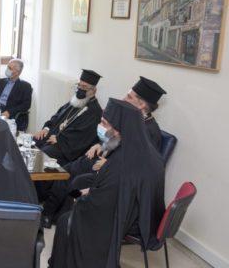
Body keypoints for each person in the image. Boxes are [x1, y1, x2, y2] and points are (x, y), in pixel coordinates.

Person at [48, 98, 165, 268]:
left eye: (103, 123)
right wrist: (93, 190)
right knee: (78, 189)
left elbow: (105, 202)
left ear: (117, 129)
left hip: (130, 218)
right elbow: (117, 188)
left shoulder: (122, 161)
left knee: (66, 220)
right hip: (141, 211)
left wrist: (83, 199)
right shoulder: (143, 150)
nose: (100, 126)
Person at [34, 69, 102, 165]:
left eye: (84, 87)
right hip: (52, 137)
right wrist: (46, 128)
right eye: (79, 85)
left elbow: (83, 136)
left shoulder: (95, 111)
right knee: (34, 141)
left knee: (44, 153)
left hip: (67, 148)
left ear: (93, 90)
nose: (79, 88)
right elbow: (57, 116)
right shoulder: (76, 102)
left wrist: (59, 139)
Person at [0, 59, 32, 129]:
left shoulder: (25, 86)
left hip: (8, 112)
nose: (7, 70)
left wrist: (9, 112)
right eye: (7, 67)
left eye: (10, 68)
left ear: (18, 72)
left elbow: (26, 105)